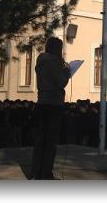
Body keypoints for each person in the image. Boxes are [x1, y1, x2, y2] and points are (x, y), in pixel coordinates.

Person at [31, 37, 70, 180]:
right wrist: (67, 71)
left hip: (41, 102)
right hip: (54, 104)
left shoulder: (41, 60)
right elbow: (61, 82)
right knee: (50, 142)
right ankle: (46, 174)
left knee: (40, 140)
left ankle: (35, 173)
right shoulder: (55, 62)